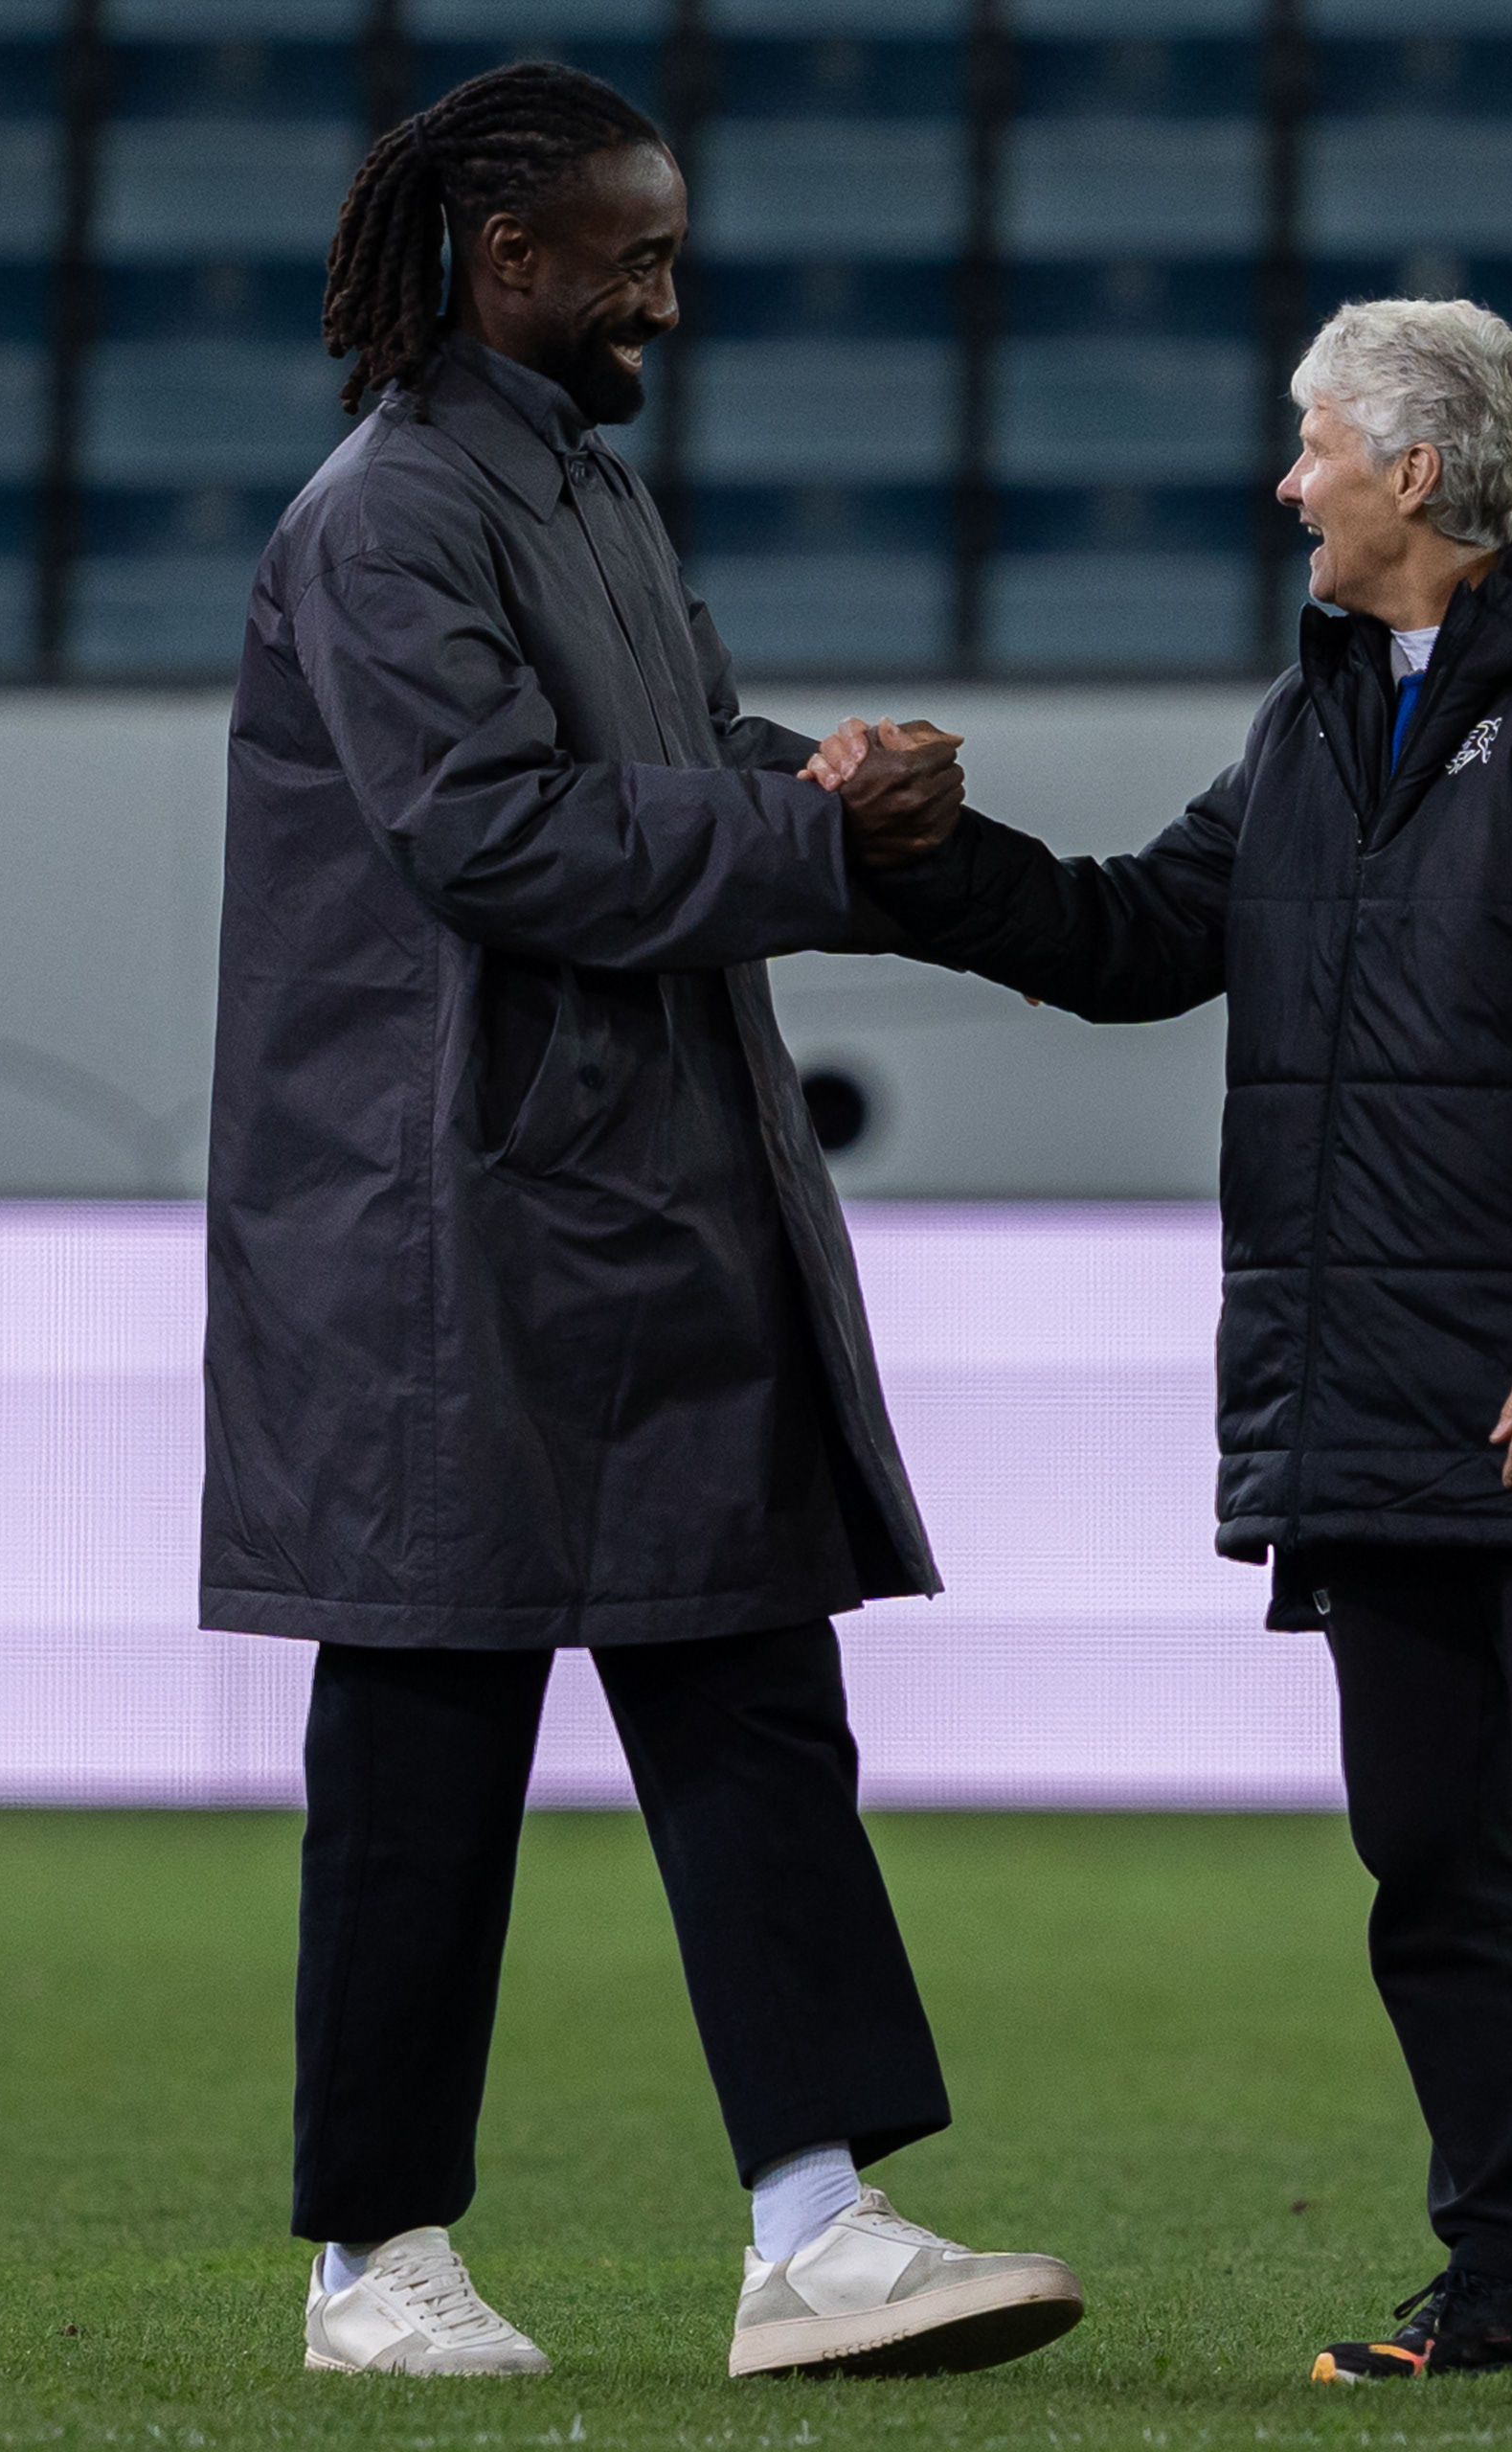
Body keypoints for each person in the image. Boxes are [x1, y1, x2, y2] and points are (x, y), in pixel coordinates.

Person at [199, 61, 1080, 2384]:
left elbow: (676, 768)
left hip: (632, 1194)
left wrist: (855, 802)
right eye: (635, 260)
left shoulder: (575, 489)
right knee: (421, 1744)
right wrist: (813, 835)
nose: (666, 305)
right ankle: (370, 2260)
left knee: (754, 1694)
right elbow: (493, 835)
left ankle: (817, 2225)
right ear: (509, 260)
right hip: (440, 1238)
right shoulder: (387, 517)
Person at [817, 298, 1512, 2391]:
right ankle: (1503, 2276)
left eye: (1314, 443)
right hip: (1362, 1394)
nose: (1289, 484)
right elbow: (1128, 936)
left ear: (1413, 474)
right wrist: (908, 859)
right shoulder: (1316, 717)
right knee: (1428, 1861)